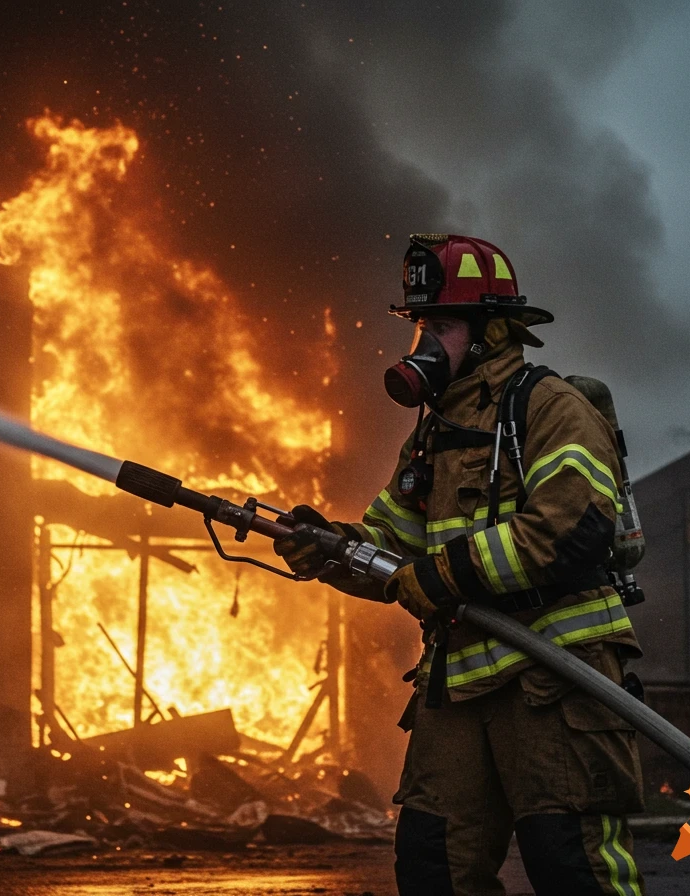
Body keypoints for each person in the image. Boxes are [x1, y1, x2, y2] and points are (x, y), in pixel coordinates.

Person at [275, 234, 646, 896]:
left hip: (555, 679)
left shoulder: (549, 406)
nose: (422, 343)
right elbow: (391, 545)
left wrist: (442, 576)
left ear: (491, 330)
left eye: (440, 325)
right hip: (459, 686)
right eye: (420, 325)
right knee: (432, 864)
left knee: (569, 864)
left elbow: (571, 528)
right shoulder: (434, 433)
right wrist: (329, 547)